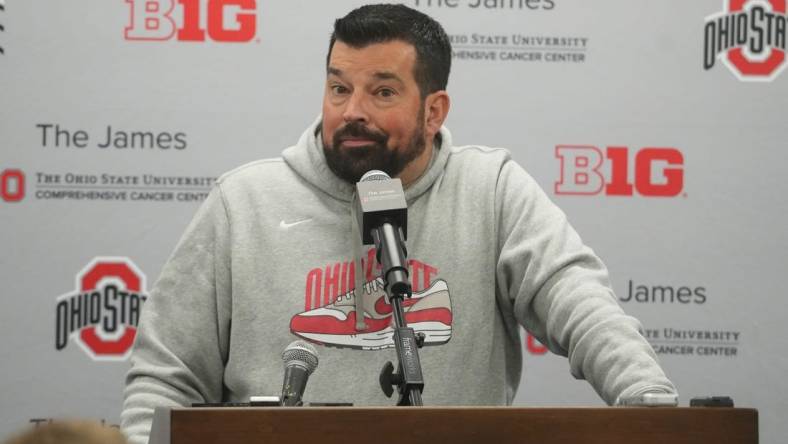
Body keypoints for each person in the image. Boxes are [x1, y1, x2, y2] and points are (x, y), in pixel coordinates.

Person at [121, 4, 676, 443]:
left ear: (434, 112)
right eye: (339, 88)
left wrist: (651, 407)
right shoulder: (243, 202)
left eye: (381, 91)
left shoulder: (492, 189)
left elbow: (580, 304)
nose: (350, 111)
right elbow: (165, 379)